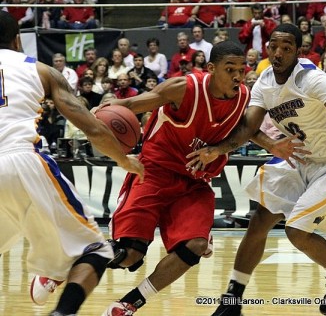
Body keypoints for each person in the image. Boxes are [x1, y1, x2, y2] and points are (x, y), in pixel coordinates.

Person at [186, 24, 326, 316]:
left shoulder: (311, 78)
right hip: (298, 157)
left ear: (297, 51)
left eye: (287, 48)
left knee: (296, 231)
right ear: (267, 48)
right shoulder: (264, 83)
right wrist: (216, 150)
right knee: (259, 220)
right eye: (274, 46)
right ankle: (233, 299)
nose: (279, 53)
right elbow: (248, 128)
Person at [0, 11, 143, 316]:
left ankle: (53, 267)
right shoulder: (40, 70)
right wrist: (123, 159)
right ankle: (62, 311)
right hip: (21, 160)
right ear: (17, 40)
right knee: (97, 250)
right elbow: (93, 128)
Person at [100, 41, 254, 316]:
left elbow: (248, 129)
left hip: (194, 183)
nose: (237, 76)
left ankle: (129, 304)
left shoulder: (242, 96)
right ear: (211, 68)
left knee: (195, 244)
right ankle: (66, 265)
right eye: (229, 69)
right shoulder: (184, 88)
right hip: (154, 172)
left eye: (241, 70)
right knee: (129, 255)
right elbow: (129, 104)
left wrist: (219, 150)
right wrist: (94, 115)